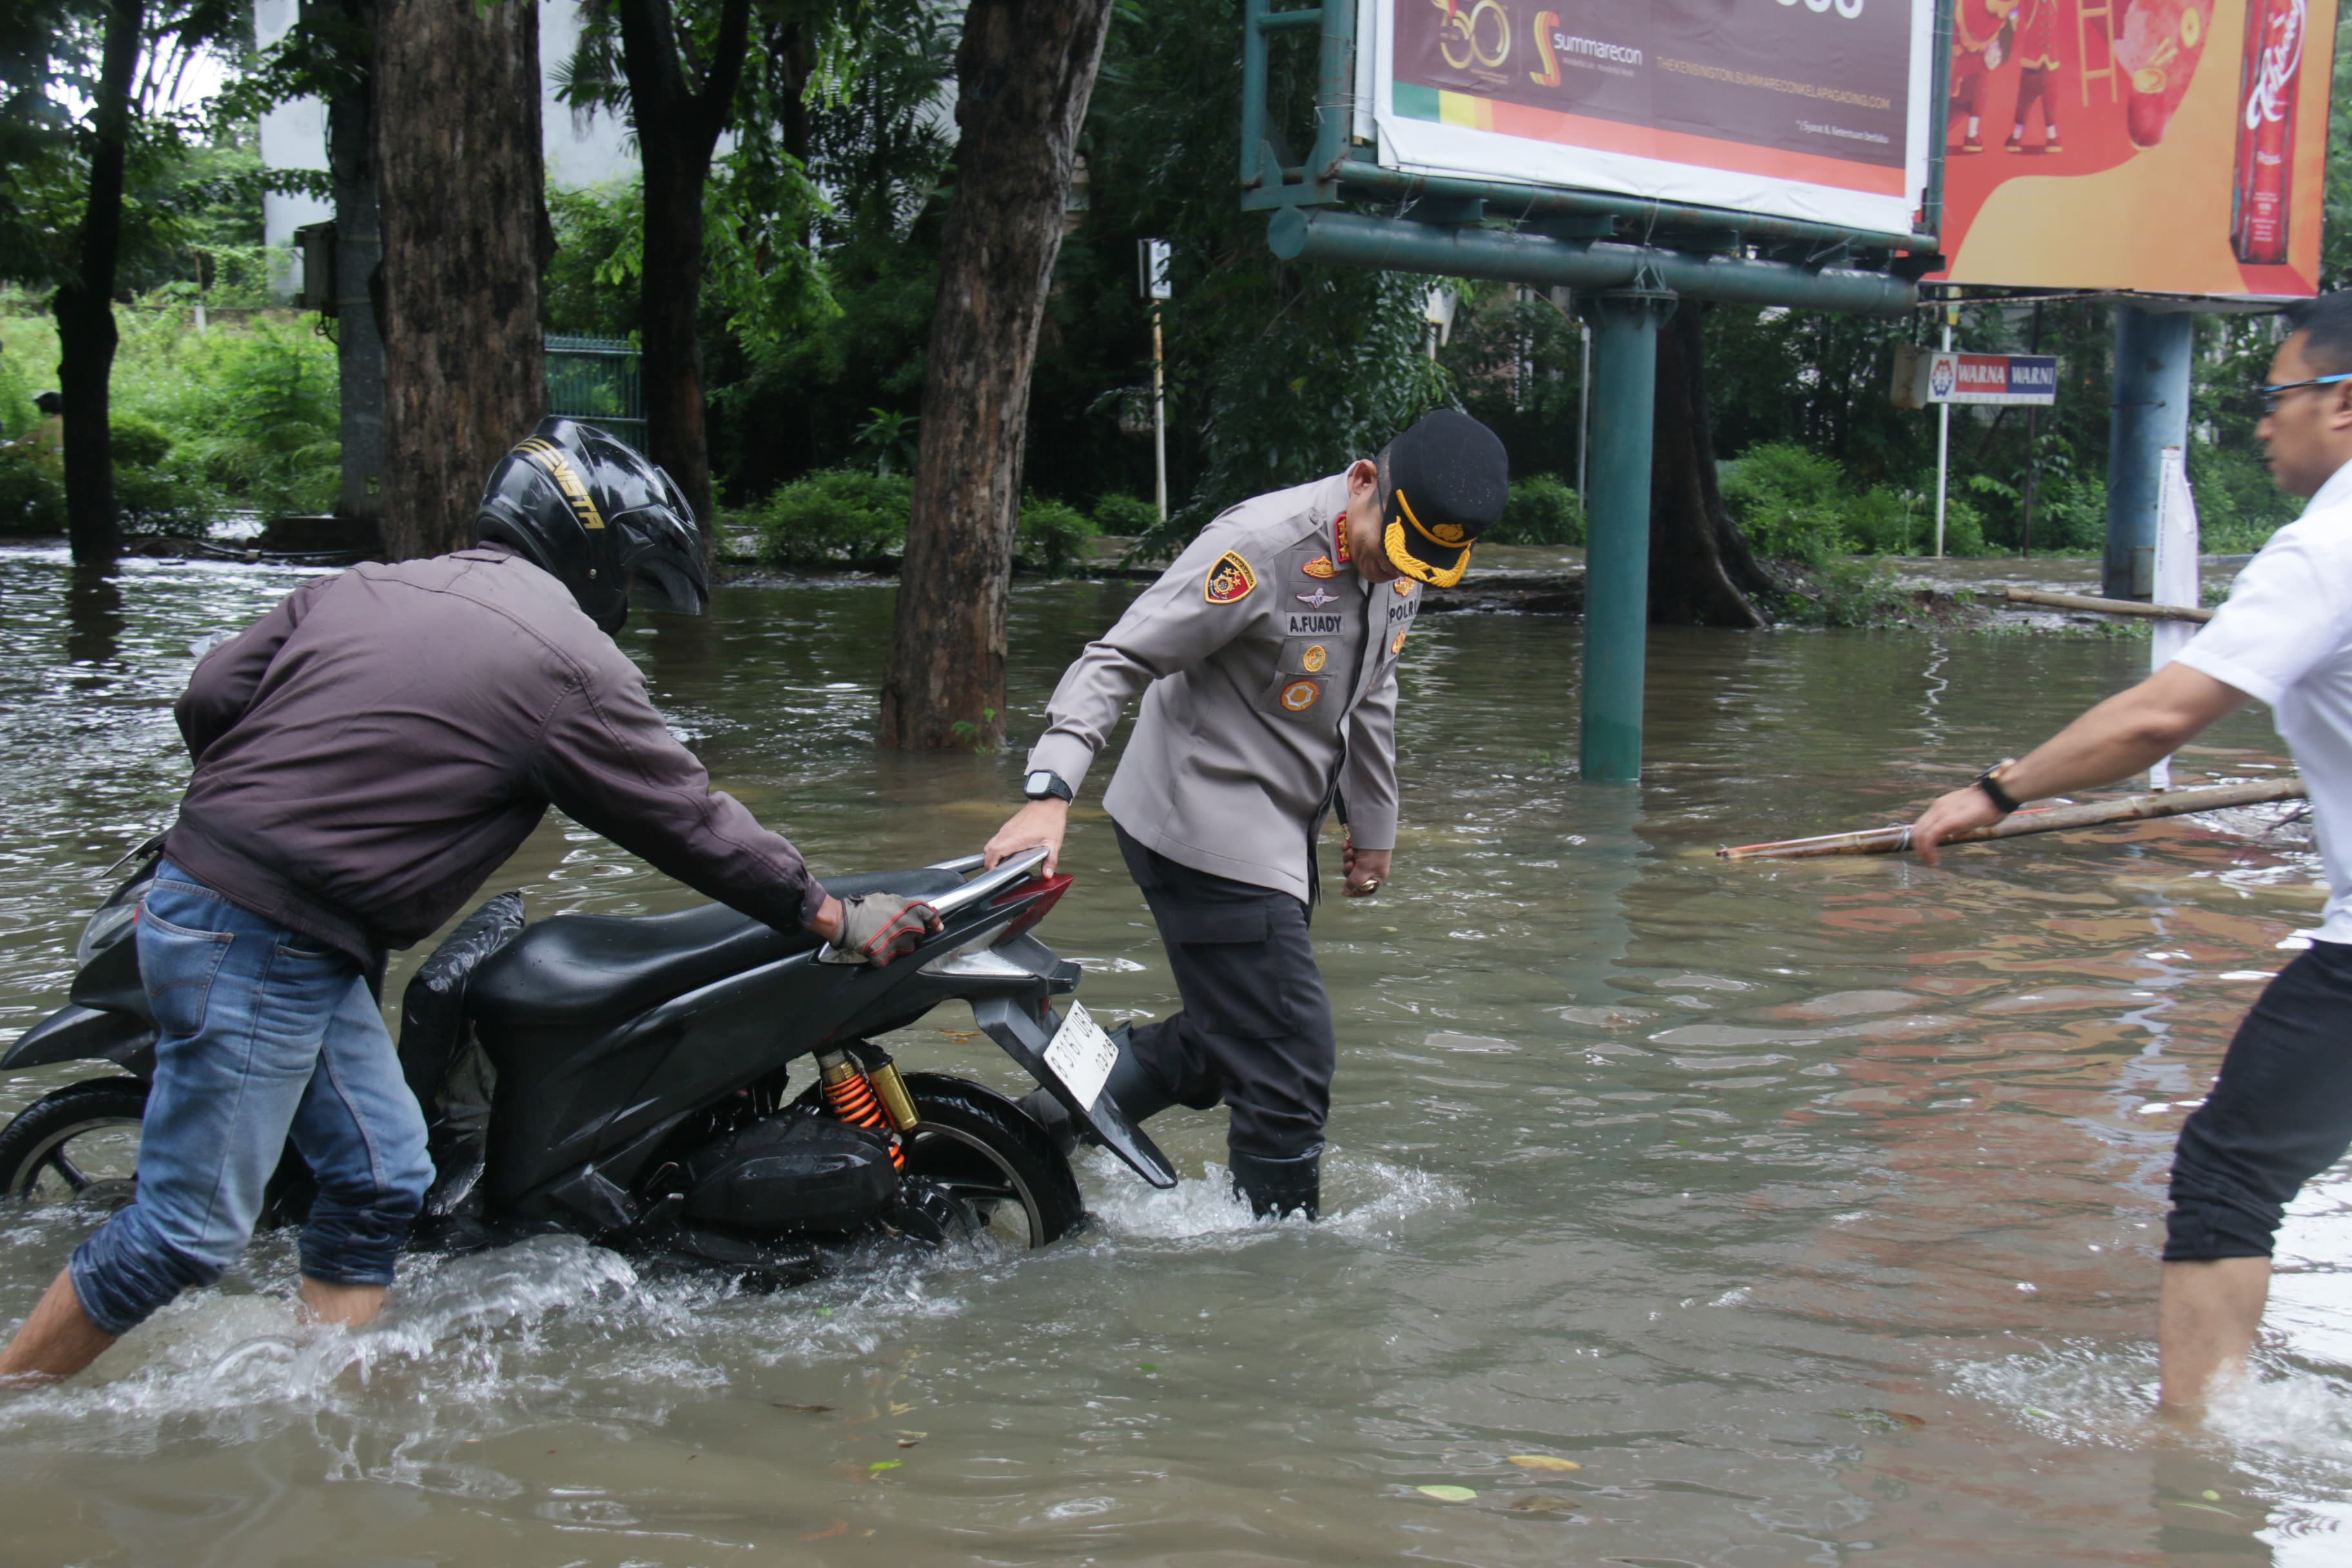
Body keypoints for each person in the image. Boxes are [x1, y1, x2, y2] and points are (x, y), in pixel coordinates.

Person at [0, 420, 938, 1384]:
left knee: (379, 1182)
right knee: (187, 1230)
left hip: (248, 916)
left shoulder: (359, 586)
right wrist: (830, 915)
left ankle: (316, 1394)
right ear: (597, 553)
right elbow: (687, 820)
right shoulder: (564, 661)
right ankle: (15, 1412)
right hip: (263, 938)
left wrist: (281, 800)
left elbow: (209, 694)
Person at [1903, 290, 2352, 1419]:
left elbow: (2161, 716)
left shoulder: (2328, 546)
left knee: (2225, 1171)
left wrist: (1993, 791)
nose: (2259, 423)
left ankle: (2198, 1454)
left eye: (2275, 395)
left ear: (2341, 404)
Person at [983, 409, 1508, 1221]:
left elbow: (1375, 691)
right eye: (1387, 545)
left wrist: (1373, 827)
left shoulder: (1405, 562)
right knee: (1292, 1061)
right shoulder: (1263, 547)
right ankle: (1275, 1270)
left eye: (1420, 566)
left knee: (1239, 1031)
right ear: (1365, 482)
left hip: (1279, 829)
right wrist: (1049, 794)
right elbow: (1119, 655)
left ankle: (1017, 1135)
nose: (1391, 571)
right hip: (1199, 818)